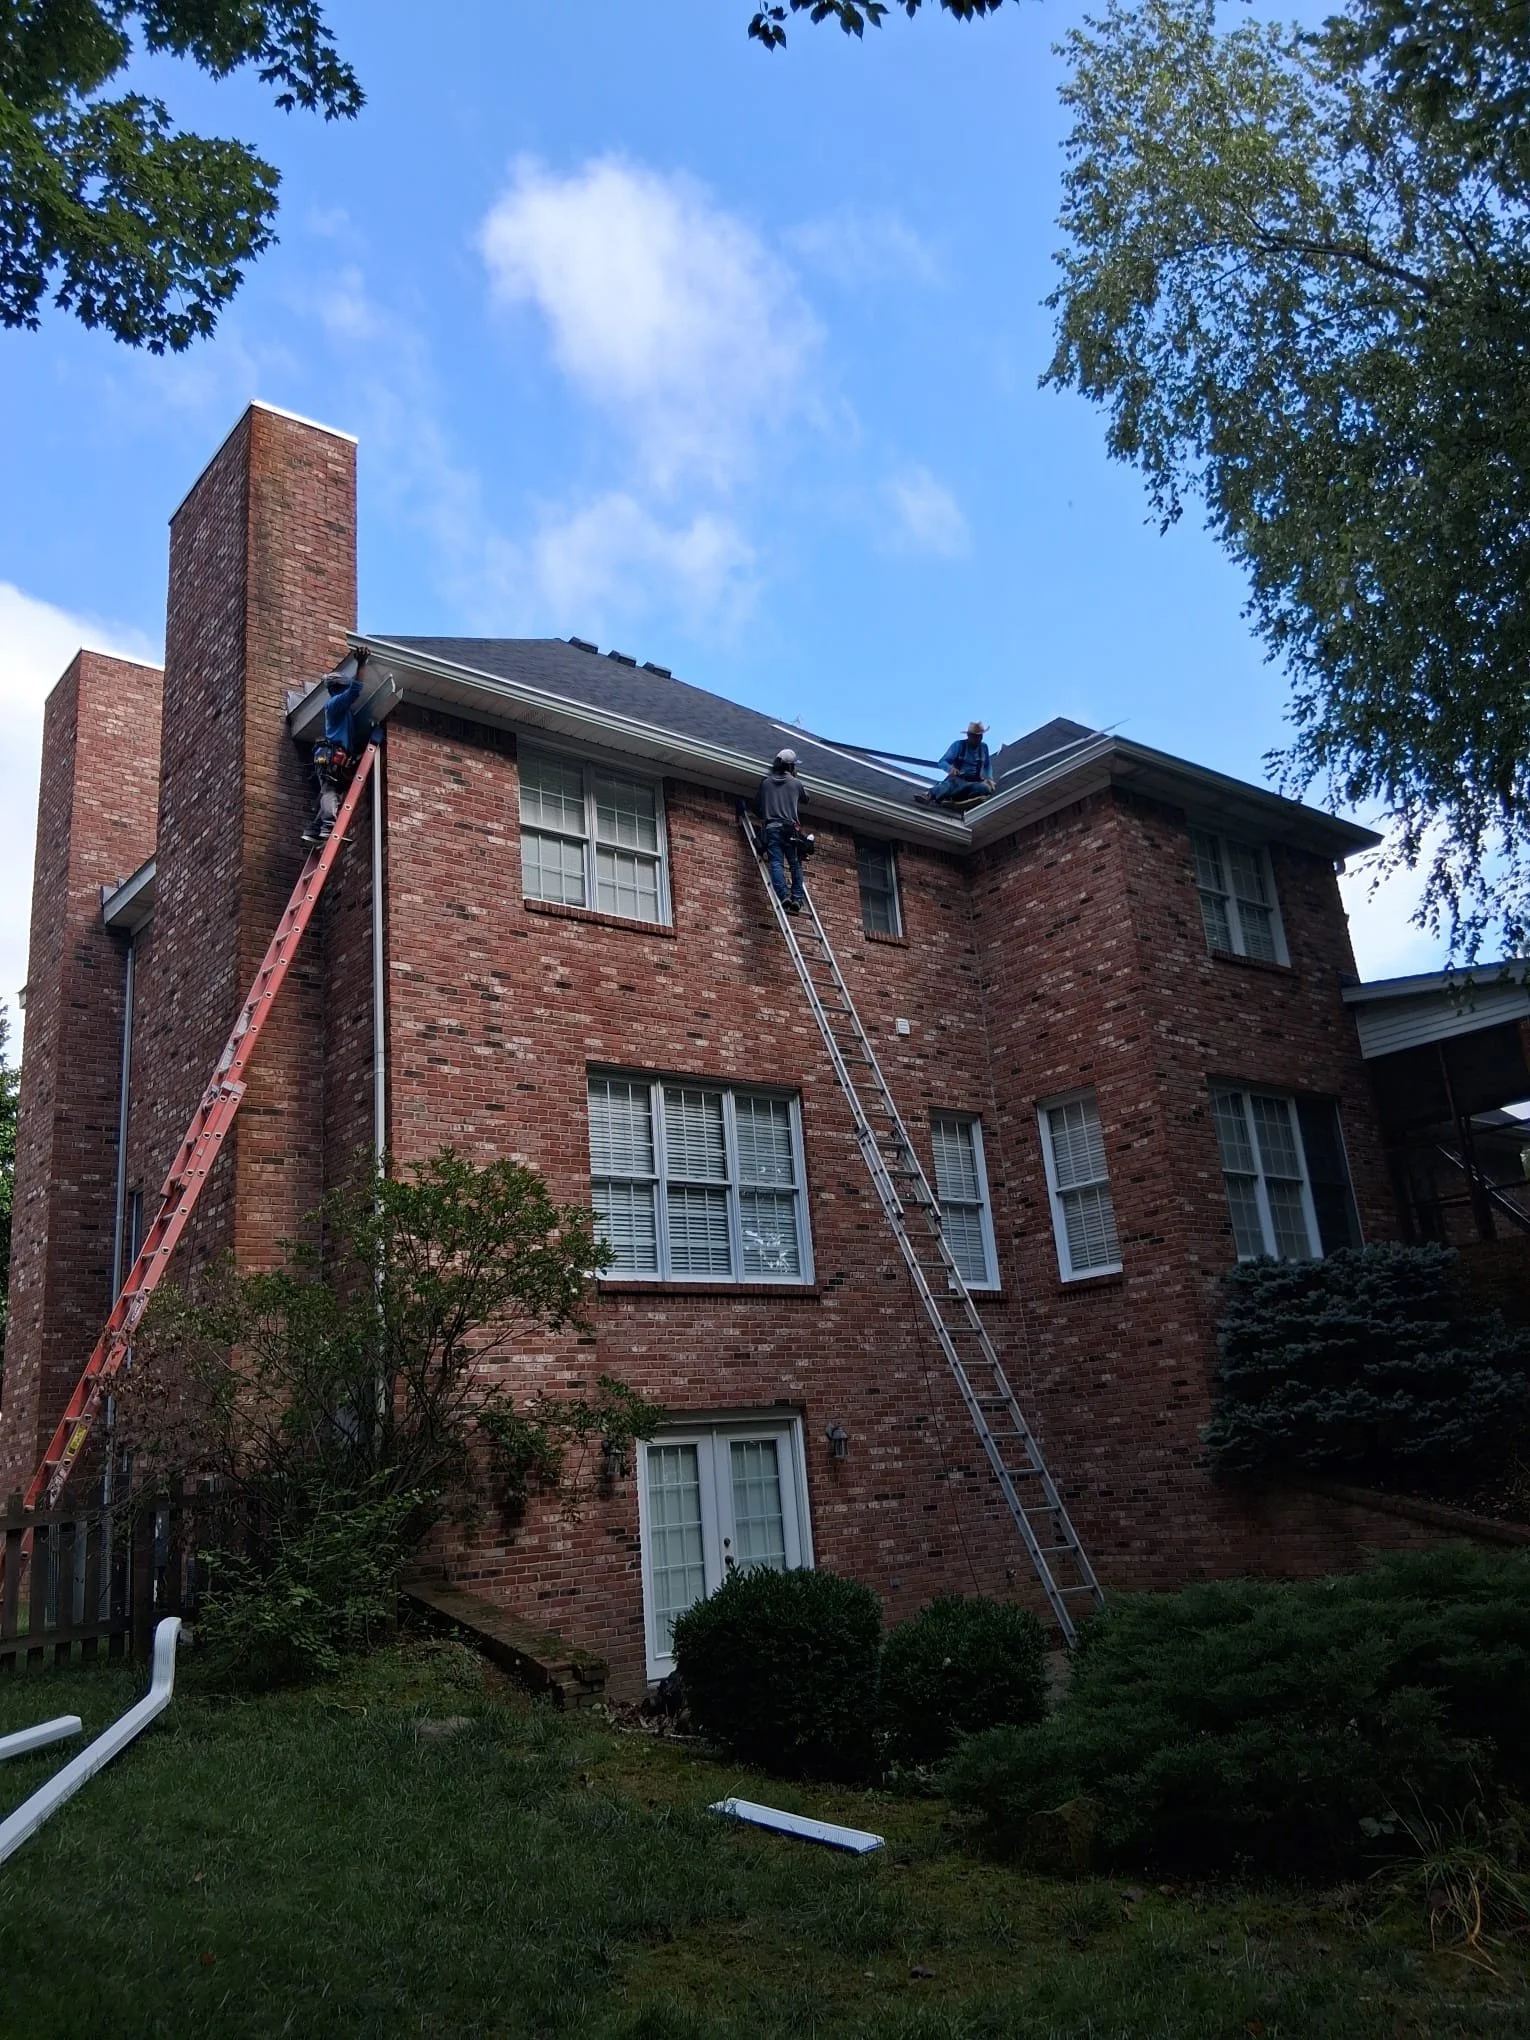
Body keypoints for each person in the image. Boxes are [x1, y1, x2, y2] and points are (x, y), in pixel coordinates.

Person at [303, 651, 372, 845]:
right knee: (330, 791)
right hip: (332, 754)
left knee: (330, 790)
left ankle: (315, 829)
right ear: (338, 687)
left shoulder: (338, 708)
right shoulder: (335, 703)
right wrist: (362, 664)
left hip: (332, 755)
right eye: (344, 685)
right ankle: (327, 827)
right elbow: (356, 690)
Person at [755, 747, 809, 913]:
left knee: (776, 863)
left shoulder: (766, 783)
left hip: (772, 827)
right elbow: (806, 799)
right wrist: (794, 779)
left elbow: (758, 807)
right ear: (791, 767)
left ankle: (784, 896)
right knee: (795, 864)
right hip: (790, 829)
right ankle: (797, 899)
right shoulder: (796, 783)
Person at [924, 721, 995, 806]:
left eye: (980, 736)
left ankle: (967, 799)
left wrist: (989, 778)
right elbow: (942, 762)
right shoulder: (959, 745)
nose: (978, 739)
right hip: (957, 781)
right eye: (975, 737)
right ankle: (928, 795)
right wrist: (950, 768)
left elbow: (987, 765)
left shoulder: (984, 747)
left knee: (985, 788)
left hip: (974, 782)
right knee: (947, 787)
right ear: (969, 736)